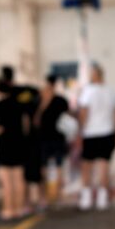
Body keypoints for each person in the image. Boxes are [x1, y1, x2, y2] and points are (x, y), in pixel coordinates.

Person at [77, 55, 115, 211]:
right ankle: (102, 198)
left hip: (90, 133)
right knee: (104, 165)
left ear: (95, 74)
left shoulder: (87, 91)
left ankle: (87, 198)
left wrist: (80, 130)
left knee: (87, 166)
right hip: (107, 132)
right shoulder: (111, 91)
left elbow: (83, 113)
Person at [0, 66, 43, 210]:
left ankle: (23, 204)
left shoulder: (8, 97)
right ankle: (27, 203)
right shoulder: (25, 91)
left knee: (18, 175)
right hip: (25, 138)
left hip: (17, 140)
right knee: (25, 173)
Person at [0, 77, 28, 220]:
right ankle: (19, 208)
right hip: (18, 142)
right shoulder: (19, 104)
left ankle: (8, 209)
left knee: (6, 181)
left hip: (4, 143)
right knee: (18, 178)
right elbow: (25, 124)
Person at [34, 75, 70, 208]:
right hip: (45, 139)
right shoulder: (41, 100)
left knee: (57, 168)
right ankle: (47, 198)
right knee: (46, 169)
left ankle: (54, 197)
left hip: (55, 139)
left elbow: (68, 118)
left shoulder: (60, 100)